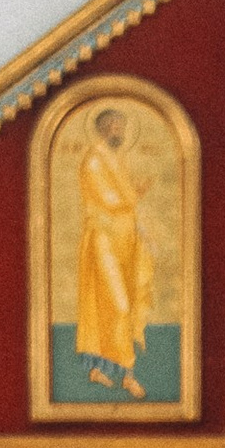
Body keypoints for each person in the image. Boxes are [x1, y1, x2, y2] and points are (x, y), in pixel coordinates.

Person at [74, 105, 150, 400]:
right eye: (114, 126)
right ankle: (129, 374)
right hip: (103, 239)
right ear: (103, 128)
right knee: (116, 305)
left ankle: (100, 370)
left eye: (121, 126)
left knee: (126, 303)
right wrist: (135, 194)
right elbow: (110, 199)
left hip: (125, 239)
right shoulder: (94, 160)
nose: (119, 131)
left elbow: (127, 200)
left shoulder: (117, 160)